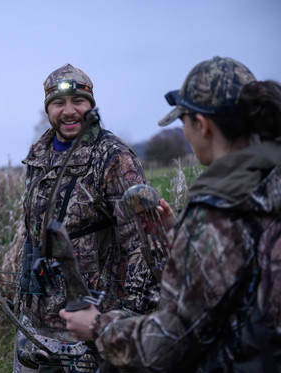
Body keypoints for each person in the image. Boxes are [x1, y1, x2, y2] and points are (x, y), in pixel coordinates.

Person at [60, 56, 281, 372]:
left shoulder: (219, 208)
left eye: (183, 123)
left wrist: (97, 327)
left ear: (202, 125)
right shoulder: (267, 182)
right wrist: (181, 235)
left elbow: (175, 343)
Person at [14, 64, 164, 372]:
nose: (69, 111)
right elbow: (32, 232)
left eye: (78, 102)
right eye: (58, 103)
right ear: (48, 109)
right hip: (36, 324)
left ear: (91, 106)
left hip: (90, 325)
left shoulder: (113, 157)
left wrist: (122, 322)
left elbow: (143, 246)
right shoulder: (38, 155)